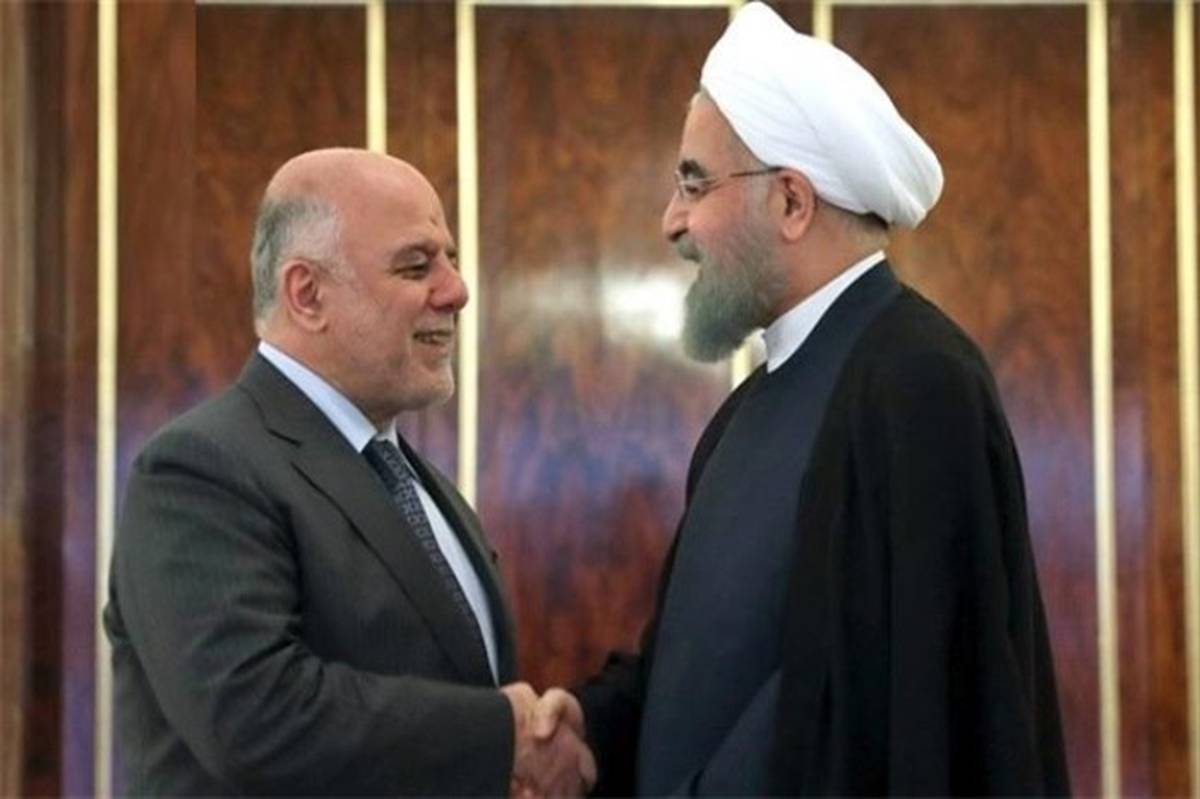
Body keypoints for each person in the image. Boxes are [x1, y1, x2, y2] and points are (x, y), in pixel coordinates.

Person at [572, 3, 1070, 795]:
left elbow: (893, 708)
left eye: (694, 183)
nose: (673, 221)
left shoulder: (917, 383)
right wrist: (584, 731)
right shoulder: (748, 407)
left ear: (792, 203)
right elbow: (701, 663)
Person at [104, 148, 593, 797]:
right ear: (307, 295)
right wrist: (504, 734)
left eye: (449, 259)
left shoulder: (411, 477)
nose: (457, 289)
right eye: (416, 265)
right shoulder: (199, 469)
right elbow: (255, 715)